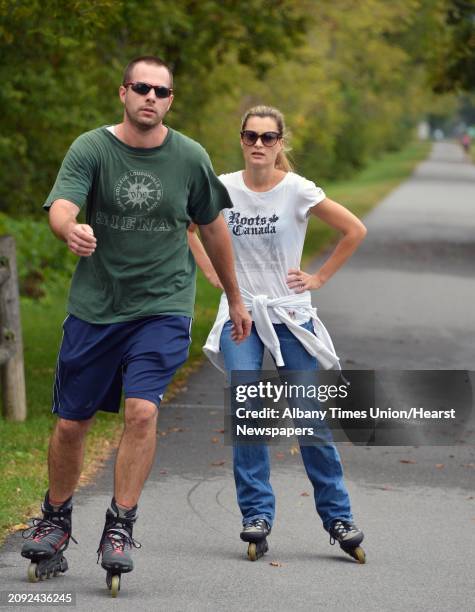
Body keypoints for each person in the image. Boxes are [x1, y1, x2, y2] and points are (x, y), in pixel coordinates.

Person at [21, 55, 251, 590]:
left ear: (171, 100)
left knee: (142, 411)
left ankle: (120, 526)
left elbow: (213, 228)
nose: (151, 97)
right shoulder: (93, 148)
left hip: (163, 305)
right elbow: (61, 204)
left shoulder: (190, 157)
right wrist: (69, 228)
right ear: (123, 92)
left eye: (162, 91)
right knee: (71, 424)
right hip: (96, 307)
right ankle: (55, 520)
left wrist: (236, 297)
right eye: (142, 88)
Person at [190, 105, 367, 562]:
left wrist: (319, 278)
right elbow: (192, 228)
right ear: (242, 140)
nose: (259, 145)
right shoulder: (223, 187)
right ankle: (256, 515)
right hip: (242, 315)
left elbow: (354, 229)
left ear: (280, 143)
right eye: (251, 136)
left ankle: (338, 517)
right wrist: (212, 270)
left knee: (309, 418)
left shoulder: (297, 191)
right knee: (248, 409)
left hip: (290, 316)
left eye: (269, 138)